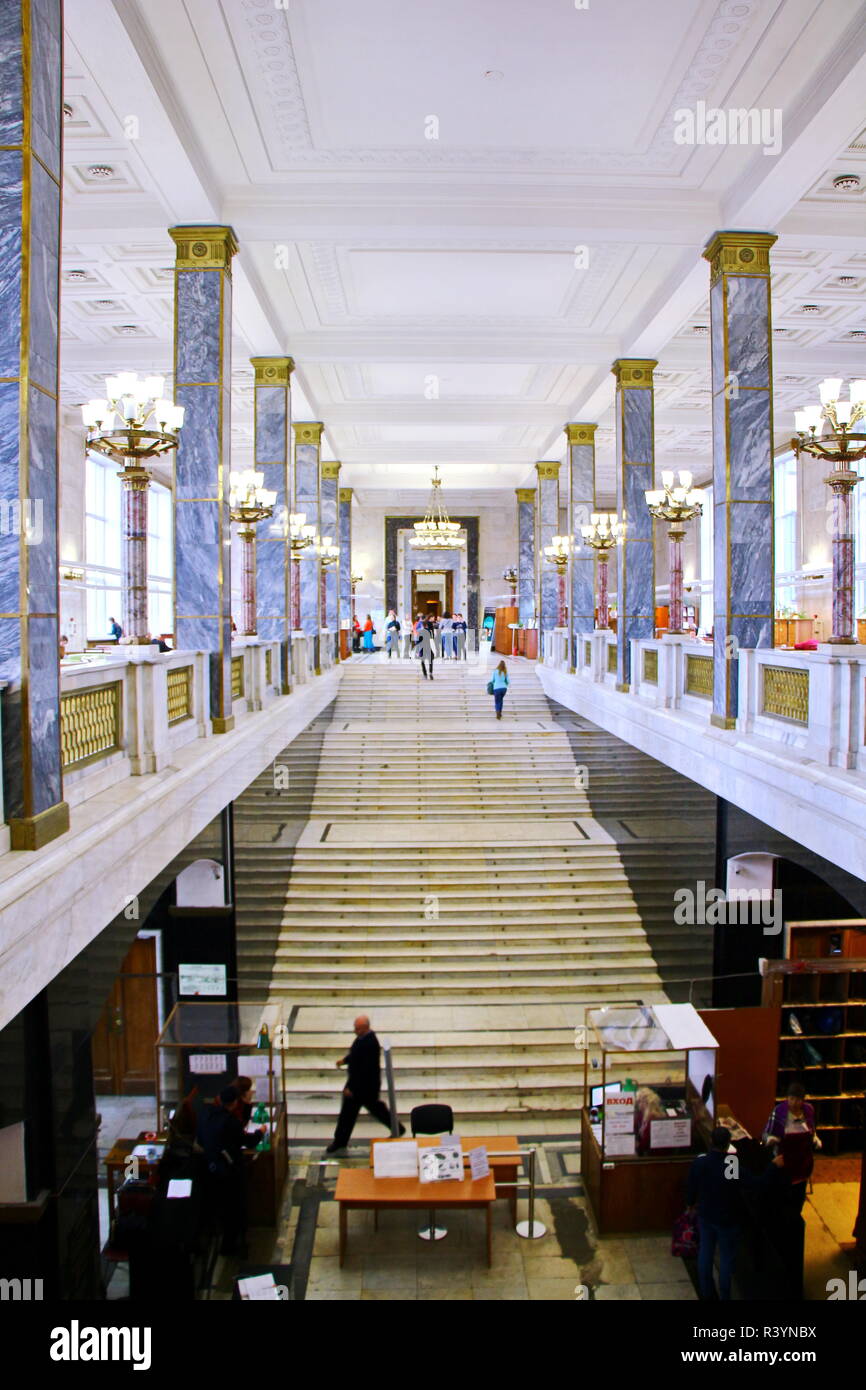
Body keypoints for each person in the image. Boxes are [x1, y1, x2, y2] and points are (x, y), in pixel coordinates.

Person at [197, 1086, 264, 1254]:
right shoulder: (230, 1122)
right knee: (234, 1209)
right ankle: (230, 1245)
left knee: (220, 1206)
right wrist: (261, 1132)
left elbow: (201, 1139)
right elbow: (249, 1142)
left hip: (209, 1167)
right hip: (229, 1171)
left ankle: (217, 1235)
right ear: (234, 1103)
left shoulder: (206, 1113)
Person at [326, 1015, 404, 1153]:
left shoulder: (369, 1043)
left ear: (365, 1028)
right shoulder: (363, 1038)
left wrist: (351, 1088)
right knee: (371, 1110)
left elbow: (362, 1070)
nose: (354, 1030)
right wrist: (345, 1060)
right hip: (363, 1086)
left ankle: (340, 1141)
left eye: (357, 1028)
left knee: (351, 1114)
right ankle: (396, 1127)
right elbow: (355, 1055)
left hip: (363, 1087)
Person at [686, 1125, 744, 1301]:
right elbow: (734, 1188)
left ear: (711, 1142)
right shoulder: (731, 1163)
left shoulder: (701, 1161)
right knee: (726, 1258)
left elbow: (691, 1187)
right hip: (726, 1218)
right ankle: (725, 1295)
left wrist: (690, 1204)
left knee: (705, 1251)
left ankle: (706, 1291)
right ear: (728, 1146)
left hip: (706, 1214)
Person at [764, 1081, 820, 1213]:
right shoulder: (779, 1111)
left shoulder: (809, 1110)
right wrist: (771, 1139)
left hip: (802, 1160)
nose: (794, 1103)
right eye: (791, 1098)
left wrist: (815, 1138)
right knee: (783, 1198)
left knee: (798, 1197)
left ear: (803, 1100)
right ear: (787, 1098)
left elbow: (812, 1130)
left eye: (798, 1099)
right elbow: (767, 1134)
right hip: (784, 1159)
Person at [417, 614, 436, 680]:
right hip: (428, 647)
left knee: (422, 661)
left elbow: (418, 642)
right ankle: (430, 672)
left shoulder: (420, 631)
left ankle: (425, 674)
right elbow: (432, 638)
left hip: (422, 648)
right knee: (430, 661)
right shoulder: (429, 631)